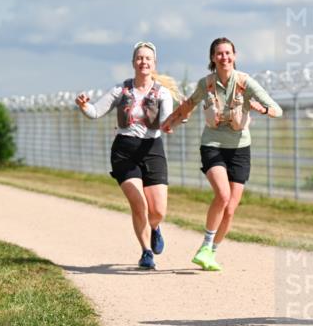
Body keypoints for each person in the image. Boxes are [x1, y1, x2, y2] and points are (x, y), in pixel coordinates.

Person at [161, 37, 282, 271]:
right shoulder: (206, 83)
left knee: (230, 209)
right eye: (219, 54)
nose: (224, 57)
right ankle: (205, 246)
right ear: (212, 58)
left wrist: (263, 109)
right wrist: (170, 122)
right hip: (213, 145)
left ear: (234, 56)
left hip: (240, 149)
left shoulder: (246, 83)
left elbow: (277, 110)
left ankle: (211, 253)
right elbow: (188, 105)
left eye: (228, 53)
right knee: (223, 195)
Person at [75, 41, 177, 270]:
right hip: (125, 151)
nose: (144, 62)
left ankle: (155, 227)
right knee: (138, 203)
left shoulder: (162, 93)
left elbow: (165, 121)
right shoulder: (119, 90)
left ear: (154, 63)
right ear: (133, 63)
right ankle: (146, 252)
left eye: (148, 58)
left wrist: (171, 123)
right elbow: (95, 112)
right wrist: (84, 106)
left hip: (152, 149)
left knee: (158, 210)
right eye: (140, 58)